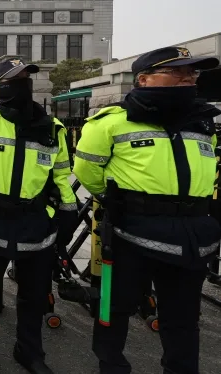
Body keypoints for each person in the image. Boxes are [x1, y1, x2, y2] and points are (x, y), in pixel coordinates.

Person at [73, 46, 221, 374]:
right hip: (132, 234)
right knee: (114, 312)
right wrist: (120, 201)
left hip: (192, 237)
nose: (189, 79)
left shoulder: (201, 123)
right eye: (178, 72)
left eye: (193, 73)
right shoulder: (110, 122)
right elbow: (86, 170)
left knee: (183, 322)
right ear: (143, 79)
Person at [0, 59, 77, 374]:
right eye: (13, 78)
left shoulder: (52, 128)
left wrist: (68, 212)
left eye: (25, 77)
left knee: (35, 296)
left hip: (37, 222)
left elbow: (61, 176)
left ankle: (30, 352)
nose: (22, 82)